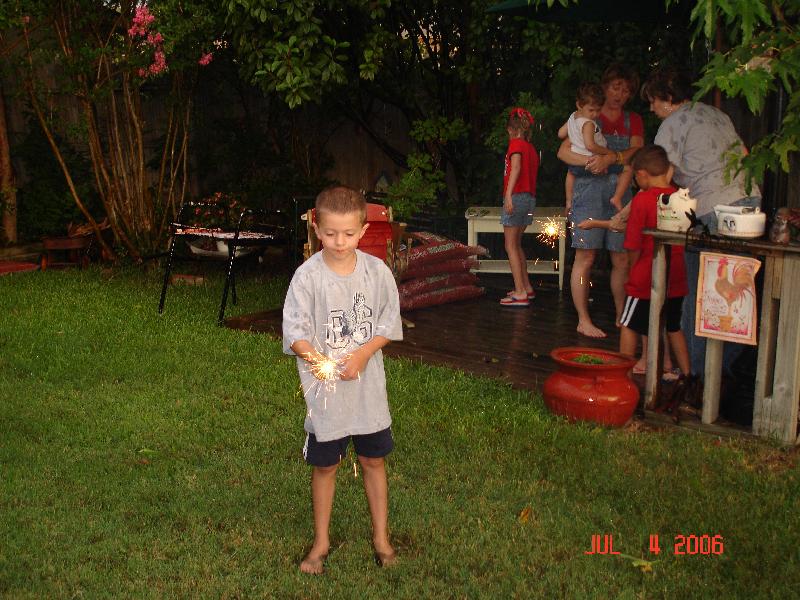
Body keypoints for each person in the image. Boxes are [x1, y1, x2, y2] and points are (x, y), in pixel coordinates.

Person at [282, 186, 403, 574]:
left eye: (349, 234)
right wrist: (322, 362)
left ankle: (381, 538)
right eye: (331, 233)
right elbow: (296, 334)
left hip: (368, 395)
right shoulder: (306, 278)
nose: (339, 242)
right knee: (326, 466)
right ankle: (321, 542)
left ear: (363, 230)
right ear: (317, 228)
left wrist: (363, 354)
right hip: (327, 399)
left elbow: (388, 324)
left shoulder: (377, 273)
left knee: (372, 460)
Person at [642, 67, 761, 377]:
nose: (651, 108)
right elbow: (743, 153)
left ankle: (697, 377)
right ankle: (723, 370)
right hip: (748, 202)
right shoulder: (716, 114)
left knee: (703, 294)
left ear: (668, 97)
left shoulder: (672, 124)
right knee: (738, 292)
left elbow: (660, 174)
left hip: (713, 209)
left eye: (653, 101)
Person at [557, 64, 644, 337]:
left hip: (620, 191)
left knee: (621, 257)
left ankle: (621, 315)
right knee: (585, 255)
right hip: (588, 190)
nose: (620, 94)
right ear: (605, 87)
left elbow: (637, 151)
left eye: (626, 90)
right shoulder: (588, 114)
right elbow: (562, 152)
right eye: (616, 87)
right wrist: (593, 161)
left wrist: (611, 158)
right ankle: (583, 319)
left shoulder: (633, 120)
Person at [618, 145, 691, 385]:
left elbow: (633, 244)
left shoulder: (642, 200)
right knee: (673, 326)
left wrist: (632, 271)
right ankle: (689, 378)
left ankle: (624, 378)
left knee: (629, 324)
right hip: (677, 274)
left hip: (646, 275)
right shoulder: (681, 198)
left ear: (642, 174)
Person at [558, 83, 630, 216]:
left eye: (598, 110)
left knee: (570, 173)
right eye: (591, 110)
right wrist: (608, 152)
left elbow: (560, 134)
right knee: (627, 169)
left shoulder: (572, 118)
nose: (595, 114)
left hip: (576, 164)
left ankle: (568, 201)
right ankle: (617, 198)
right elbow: (590, 146)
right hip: (593, 161)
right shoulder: (589, 124)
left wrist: (574, 134)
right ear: (579, 105)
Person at [500, 107, 540, 307]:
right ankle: (526, 287)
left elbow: (515, 168)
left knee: (510, 246)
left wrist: (508, 194)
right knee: (517, 245)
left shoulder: (515, 144)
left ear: (510, 129)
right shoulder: (531, 148)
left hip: (517, 196)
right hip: (529, 199)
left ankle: (520, 292)